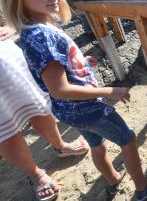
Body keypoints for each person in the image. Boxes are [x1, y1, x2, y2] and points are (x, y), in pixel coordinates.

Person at [0, 0, 147, 201]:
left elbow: (53, 71)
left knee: (96, 145)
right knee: (128, 139)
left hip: (68, 112)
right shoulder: (43, 36)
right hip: (87, 107)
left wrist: (79, 63)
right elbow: (59, 88)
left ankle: (113, 179)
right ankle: (143, 186)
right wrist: (110, 91)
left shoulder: (33, 33)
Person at [0, 35, 89, 201]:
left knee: (37, 107)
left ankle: (60, 145)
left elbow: (13, 8)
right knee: (4, 132)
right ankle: (34, 174)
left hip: (4, 57)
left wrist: (11, 25)